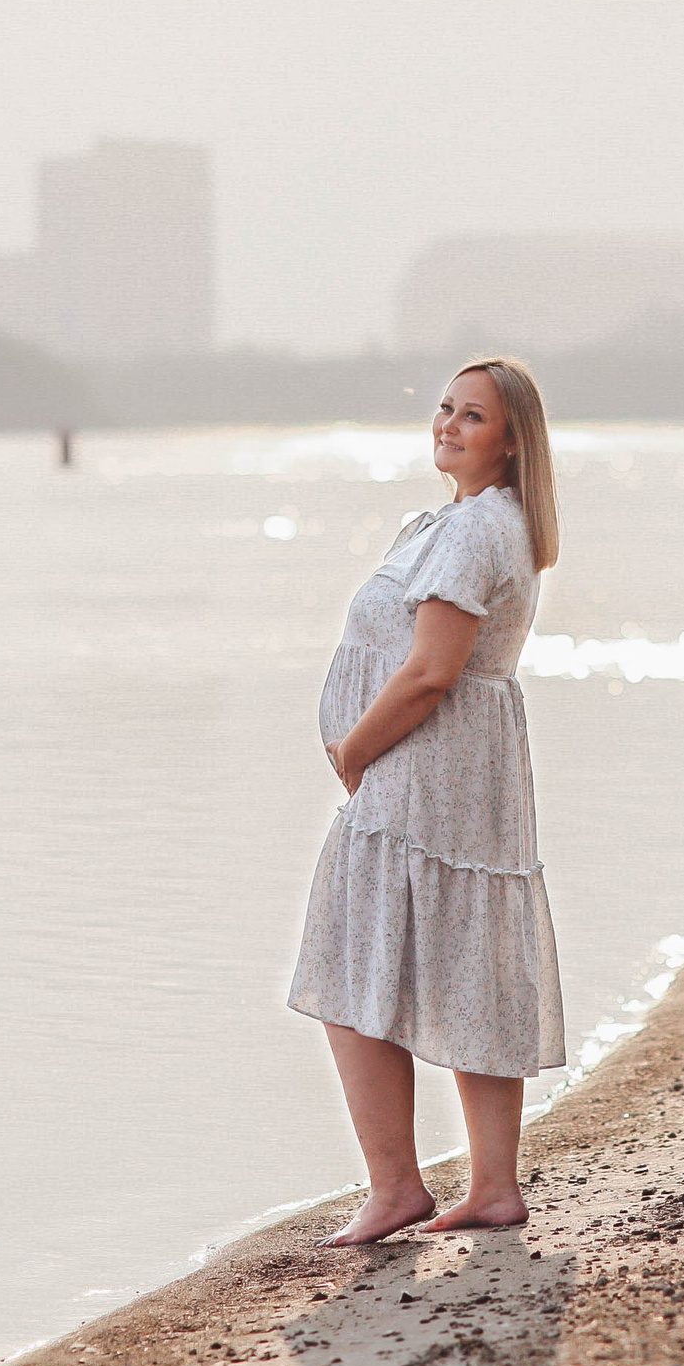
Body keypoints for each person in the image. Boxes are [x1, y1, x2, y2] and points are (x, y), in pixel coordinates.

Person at [288, 356, 565, 1245]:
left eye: (472, 415)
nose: (448, 423)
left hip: (422, 771)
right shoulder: (459, 522)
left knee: (350, 964)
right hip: (459, 773)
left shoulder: (476, 531)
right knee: (467, 963)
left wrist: (355, 749)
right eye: (445, 407)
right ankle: (491, 1186)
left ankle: (396, 1186)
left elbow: (431, 671)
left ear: (512, 440)